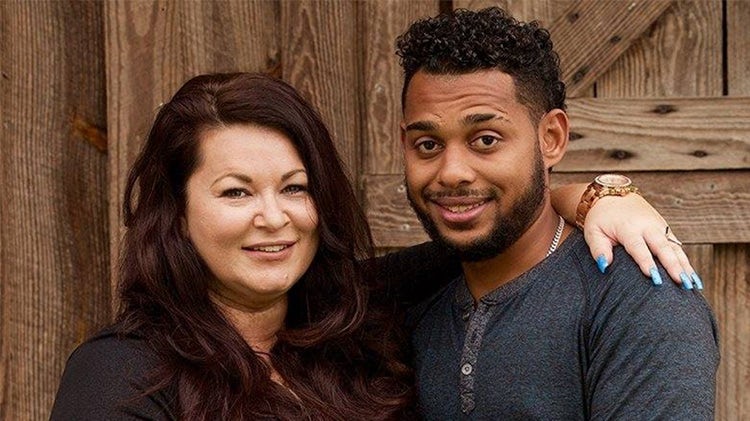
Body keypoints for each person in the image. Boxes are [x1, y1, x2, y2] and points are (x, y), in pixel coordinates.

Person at [49, 72, 698, 420]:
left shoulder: (352, 317)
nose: (273, 218)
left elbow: (487, 229)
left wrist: (592, 194)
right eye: (236, 192)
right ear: (177, 213)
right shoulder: (121, 374)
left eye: (294, 188)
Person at [395, 7, 719, 420]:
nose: (452, 172)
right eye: (428, 145)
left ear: (551, 138)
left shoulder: (638, 302)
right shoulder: (404, 297)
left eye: (486, 140)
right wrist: (592, 195)